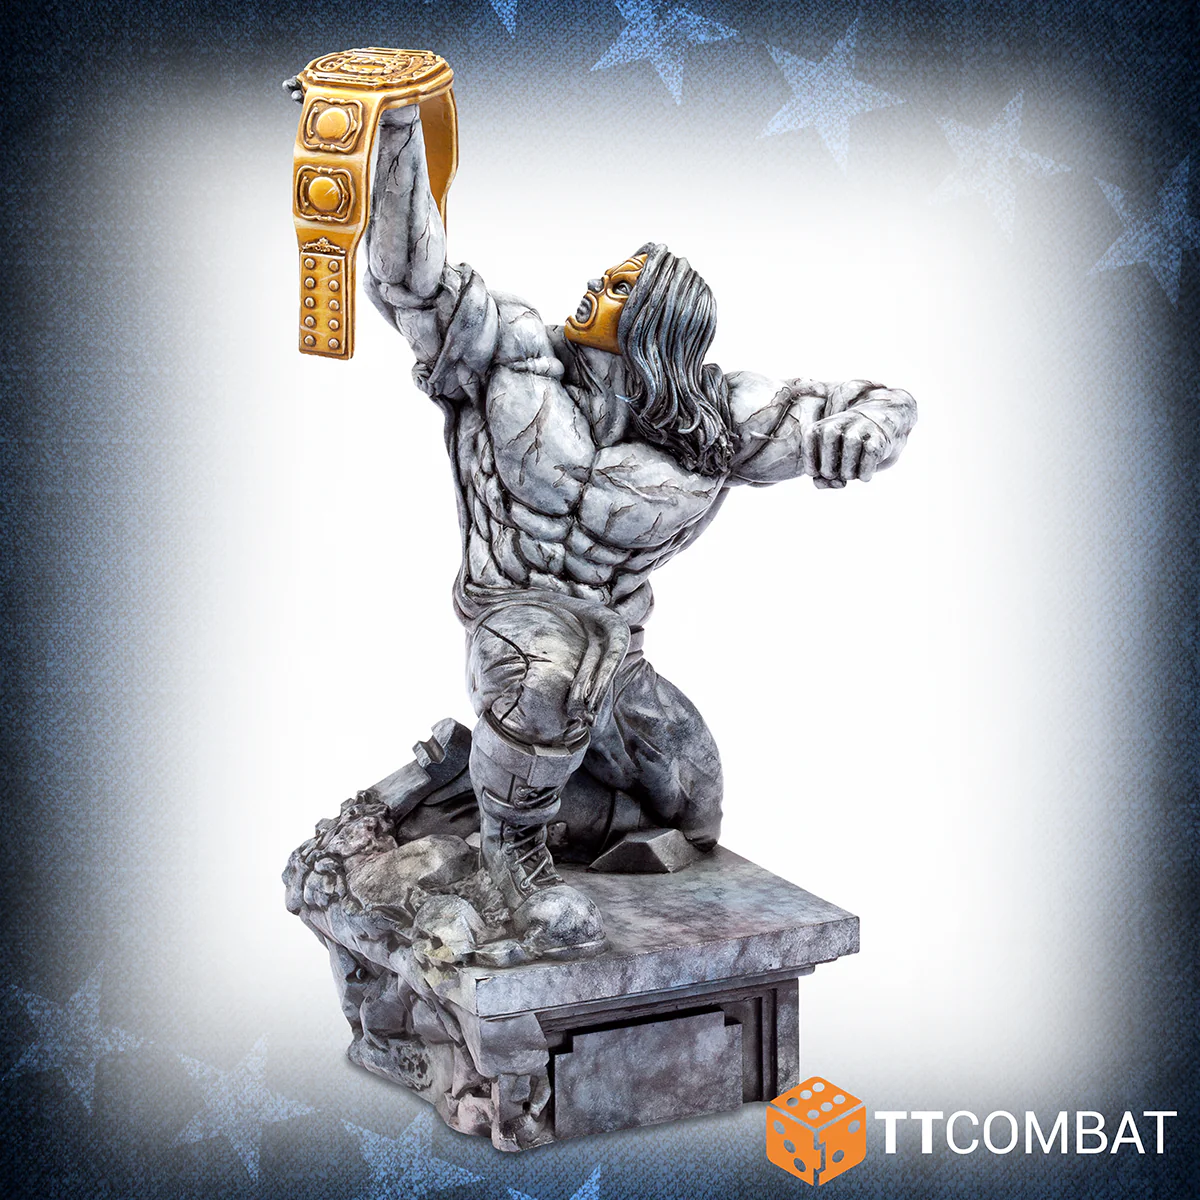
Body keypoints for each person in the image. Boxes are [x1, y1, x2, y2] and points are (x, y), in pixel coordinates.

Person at [362, 103, 916, 959]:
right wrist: (397, 134)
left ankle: (464, 780)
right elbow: (413, 282)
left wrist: (870, 429)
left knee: (688, 807)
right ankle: (511, 861)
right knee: (549, 677)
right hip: (516, 613)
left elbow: (875, 401)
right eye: (608, 275)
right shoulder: (513, 353)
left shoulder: (715, 419)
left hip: (619, 643)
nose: (597, 284)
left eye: (622, 286)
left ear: (661, 320)